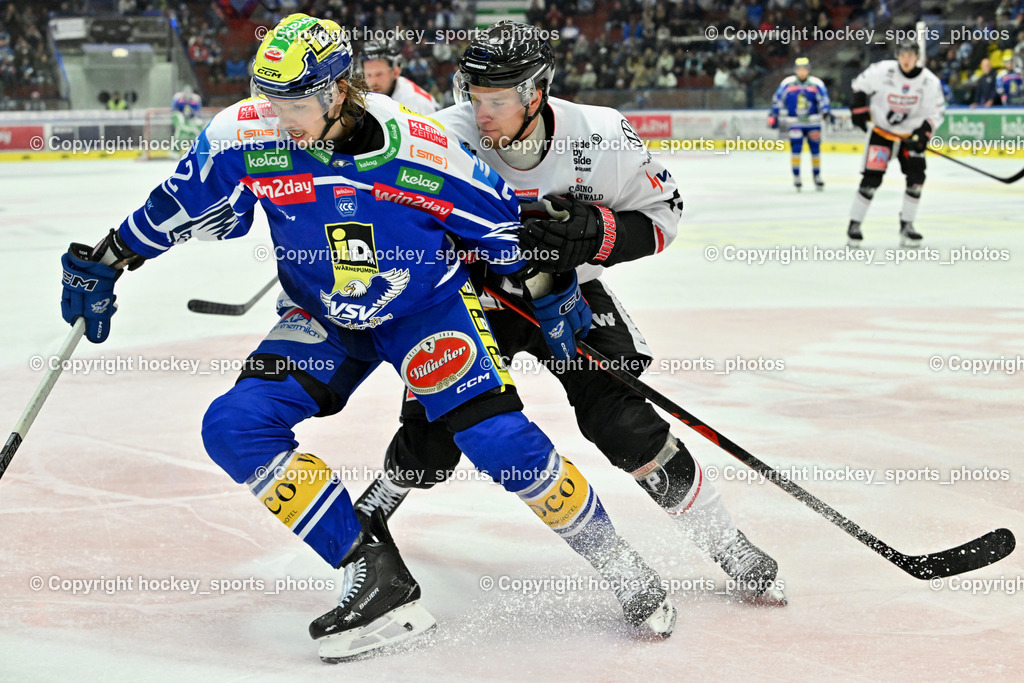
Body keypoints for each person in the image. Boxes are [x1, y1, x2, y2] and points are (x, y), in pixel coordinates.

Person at [58, 13, 674, 663]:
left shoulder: (422, 149)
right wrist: (109, 255)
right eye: (269, 99)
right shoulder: (245, 134)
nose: (277, 116)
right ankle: (375, 575)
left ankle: (622, 564)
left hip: (425, 311)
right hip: (323, 315)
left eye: (292, 102)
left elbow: (503, 233)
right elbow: (176, 202)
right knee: (234, 425)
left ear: (336, 92)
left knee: (499, 440)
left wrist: (555, 299)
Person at [355, 21, 786, 607]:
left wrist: (598, 234)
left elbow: (665, 217)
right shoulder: (440, 134)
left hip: (572, 296)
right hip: (478, 299)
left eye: (499, 100)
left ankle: (726, 543)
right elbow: (386, 212)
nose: (482, 114)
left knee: (625, 426)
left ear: (537, 92)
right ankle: (380, 500)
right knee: (434, 439)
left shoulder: (602, 135)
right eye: (474, 96)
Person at [847, 40, 945, 248]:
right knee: (870, 181)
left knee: (916, 180)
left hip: (910, 137)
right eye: (902, 55)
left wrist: (924, 132)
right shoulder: (883, 71)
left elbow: (936, 112)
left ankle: (907, 225)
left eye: (910, 55)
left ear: (917, 57)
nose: (906, 60)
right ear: (897, 56)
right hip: (883, 133)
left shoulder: (929, 82)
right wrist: (858, 108)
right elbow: (859, 86)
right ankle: (854, 224)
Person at [769, 57, 831, 191]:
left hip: (813, 122)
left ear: (808, 70)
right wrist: (774, 114)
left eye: (804, 69)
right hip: (794, 122)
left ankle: (817, 176)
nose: (802, 72)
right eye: (799, 69)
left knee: (815, 151)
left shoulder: (816, 83)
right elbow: (778, 99)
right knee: (796, 150)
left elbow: (824, 99)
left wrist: (825, 111)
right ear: (795, 70)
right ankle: (796, 177)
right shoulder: (787, 83)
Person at [359, 39, 439, 114]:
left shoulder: (419, 104)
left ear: (396, 72)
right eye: (368, 75)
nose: (373, 82)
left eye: (379, 74)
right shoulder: (361, 99)